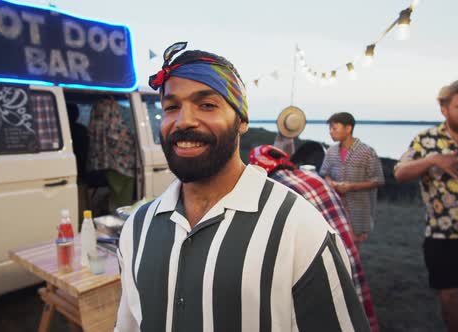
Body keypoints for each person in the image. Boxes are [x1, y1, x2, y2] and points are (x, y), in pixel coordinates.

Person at [114, 42, 370, 332]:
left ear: (242, 119)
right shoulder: (137, 229)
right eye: (172, 107)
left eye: (207, 105)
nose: (183, 121)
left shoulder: (298, 228)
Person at [394, 79, 458, 332]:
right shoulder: (427, 140)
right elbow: (400, 173)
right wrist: (432, 161)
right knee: (450, 299)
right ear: (444, 109)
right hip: (445, 235)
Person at [249, 144, 379, 332]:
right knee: (351, 313)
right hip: (347, 259)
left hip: (312, 271)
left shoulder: (274, 191)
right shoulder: (314, 178)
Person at [319, 112, 384, 246]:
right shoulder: (331, 151)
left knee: (354, 248)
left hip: (358, 209)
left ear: (348, 129)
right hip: (335, 207)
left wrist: (351, 187)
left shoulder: (366, 152)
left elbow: (378, 180)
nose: (331, 132)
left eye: (334, 128)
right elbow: (325, 173)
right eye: (330, 128)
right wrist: (331, 183)